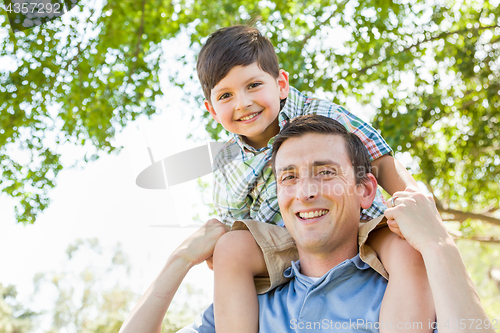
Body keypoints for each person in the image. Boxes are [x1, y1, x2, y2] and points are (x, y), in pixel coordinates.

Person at [119, 115, 494, 333]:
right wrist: (180, 260)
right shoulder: (248, 306)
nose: (306, 192)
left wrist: (439, 245)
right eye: (289, 178)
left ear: (365, 190)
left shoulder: (403, 291)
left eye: (325, 172)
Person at [197, 25, 432, 332]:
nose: (242, 103)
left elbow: (380, 159)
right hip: (286, 240)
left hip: (356, 225)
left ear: (281, 84)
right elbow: (232, 222)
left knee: (407, 249)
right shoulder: (228, 162)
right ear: (212, 110)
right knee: (230, 248)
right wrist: (222, 250)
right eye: (226, 95)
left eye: (253, 85)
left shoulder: (320, 114)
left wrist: (415, 206)